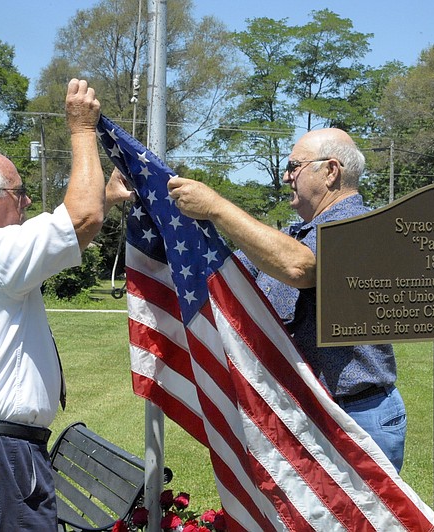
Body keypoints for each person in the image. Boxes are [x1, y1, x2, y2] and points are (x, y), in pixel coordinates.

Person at [0, 78, 132, 531]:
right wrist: (80, 130)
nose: (29, 202)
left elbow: (80, 220)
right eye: (19, 193)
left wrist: (106, 198)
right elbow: (81, 218)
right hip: (0, 451)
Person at [166, 128, 406, 472]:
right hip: (309, 413)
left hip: (355, 415)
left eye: (294, 166)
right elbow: (225, 274)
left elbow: (300, 267)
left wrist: (216, 208)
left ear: (330, 170)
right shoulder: (297, 233)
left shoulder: (358, 226)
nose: (286, 176)